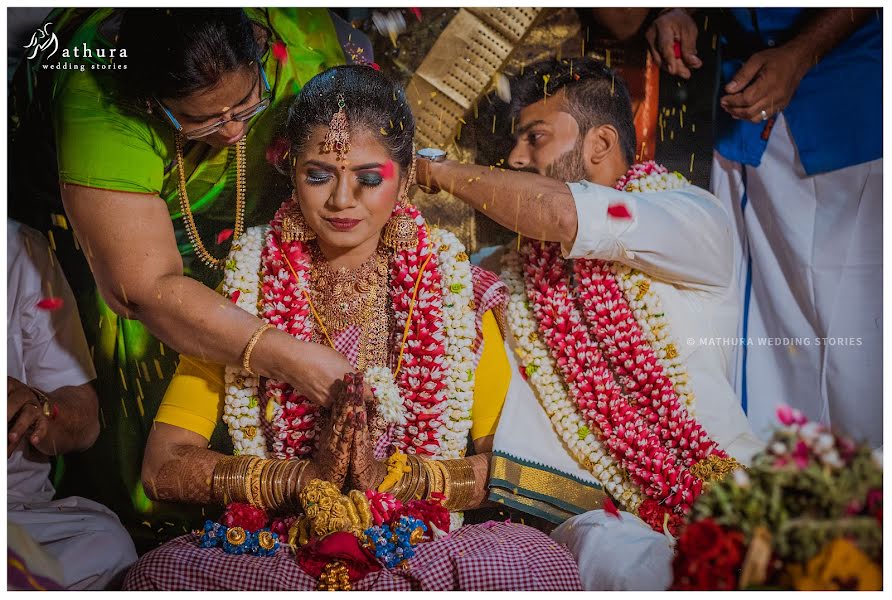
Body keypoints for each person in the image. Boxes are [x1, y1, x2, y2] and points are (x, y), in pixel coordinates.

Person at [122, 65, 582, 591]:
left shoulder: (457, 292)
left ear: (405, 178)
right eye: (319, 175)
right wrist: (299, 481)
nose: (342, 200)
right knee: (157, 576)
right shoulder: (242, 290)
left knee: (538, 565)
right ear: (292, 172)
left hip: (419, 545)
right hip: (279, 546)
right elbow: (163, 468)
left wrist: (401, 478)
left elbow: (508, 469)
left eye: (368, 178)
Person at [8, 8, 370, 539]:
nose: (234, 130)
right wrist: (292, 357)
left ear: (260, 45)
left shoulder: (298, 38)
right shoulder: (99, 93)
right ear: (149, 102)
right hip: (131, 269)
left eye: (248, 103)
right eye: (202, 120)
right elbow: (143, 289)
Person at [416, 57, 762, 590]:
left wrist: (435, 171)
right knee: (622, 557)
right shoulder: (495, 273)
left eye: (536, 137)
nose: (513, 158)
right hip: (594, 522)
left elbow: (565, 215)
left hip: (733, 492)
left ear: (599, 144)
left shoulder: (690, 216)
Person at [645, 9, 882, 447]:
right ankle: (785, 495)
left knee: (863, 343)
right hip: (748, 117)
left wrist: (800, 54)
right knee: (766, 344)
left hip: (854, 107)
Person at [7, 219, 137, 589]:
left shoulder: (20, 249)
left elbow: (84, 418)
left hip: (16, 513)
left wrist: (41, 408)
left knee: (106, 546)